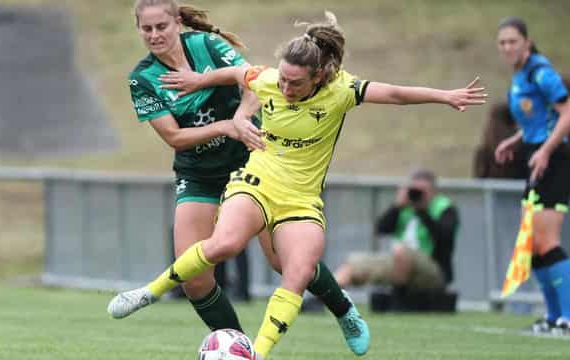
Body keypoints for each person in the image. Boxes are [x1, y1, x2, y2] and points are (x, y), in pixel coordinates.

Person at [118, 11, 486, 359]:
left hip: (300, 199)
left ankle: (318, 322)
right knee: (223, 245)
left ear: (318, 77)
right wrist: (209, 88)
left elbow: (394, 94)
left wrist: (445, 96)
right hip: (254, 181)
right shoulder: (266, 80)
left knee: (293, 270)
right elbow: (239, 75)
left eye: (295, 82)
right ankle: (148, 293)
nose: (285, 88)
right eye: (282, 80)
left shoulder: (342, 91)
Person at [109, 2, 375, 356]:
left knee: (284, 262)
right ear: (139, 31)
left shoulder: (208, 46)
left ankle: (344, 311)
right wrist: (227, 126)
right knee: (194, 277)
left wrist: (241, 118)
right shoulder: (142, 78)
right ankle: (238, 348)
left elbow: (254, 82)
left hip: (252, 164)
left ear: (177, 22)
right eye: (147, 29)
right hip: (199, 174)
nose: (155, 35)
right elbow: (174, 137)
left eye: (162, 26)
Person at [494, 17, 570, 335]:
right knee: (531, 243)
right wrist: (516, 139)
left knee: (547, 241)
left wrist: (545, 151)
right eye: (502, 42)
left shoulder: (540, 72)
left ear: (527, 42)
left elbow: (569, 114)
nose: (507, 47)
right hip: (536, 162)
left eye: (513, 41)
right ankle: (553, 318)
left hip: (555, 162)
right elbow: (538, 121)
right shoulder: (519, 76)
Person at [333, 170, 458, 296]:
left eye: (422, 191)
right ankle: (323, 298)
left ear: (433, 192)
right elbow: (381, 229)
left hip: (434, 270)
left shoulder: (445, 208)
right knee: (353, 263)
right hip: (399, 261)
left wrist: (423, 212)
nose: (417, 195)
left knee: (402, 252)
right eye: (413, 190)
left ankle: (398, 298)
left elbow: (444, 237)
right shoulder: (404, 207)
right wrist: (397, 206)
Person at [473, 103, 527, 179]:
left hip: (490, 190)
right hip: (517, 190)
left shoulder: (483, 151)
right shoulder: (521, 147)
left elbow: (478, 181)